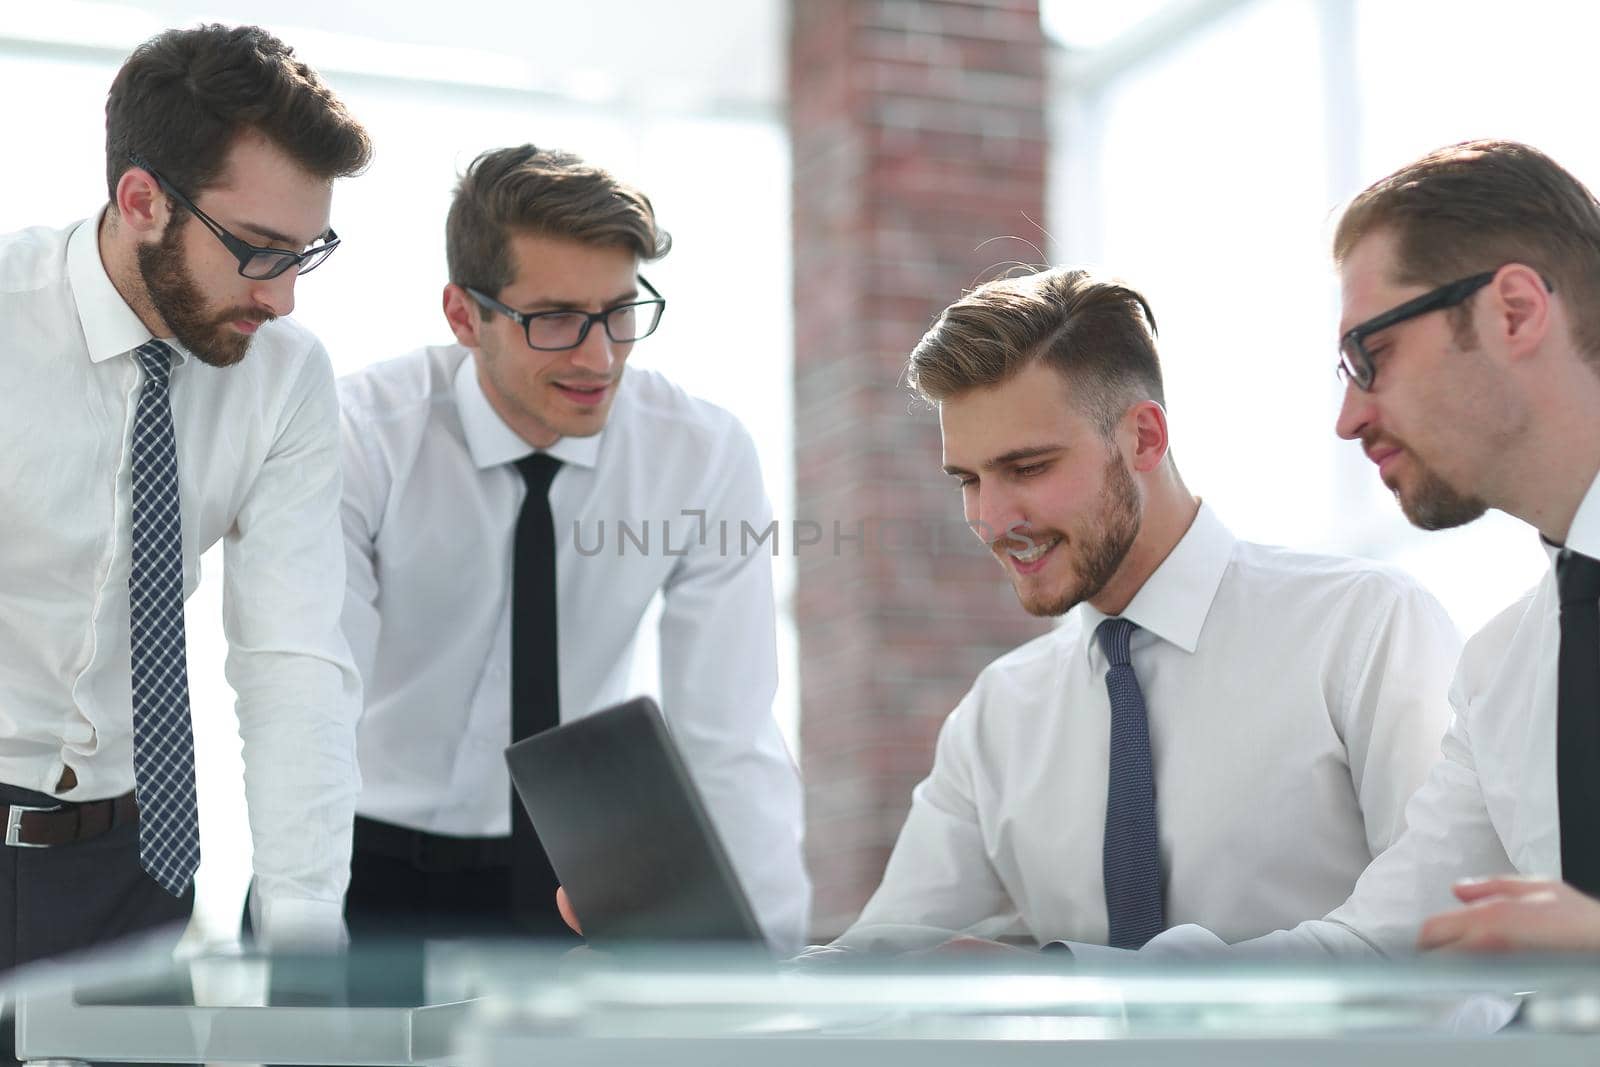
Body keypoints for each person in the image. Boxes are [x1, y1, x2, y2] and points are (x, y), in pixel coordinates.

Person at [819, 267, 1461, 953]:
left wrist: (1074, 986)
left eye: (1028, 467)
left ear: (1145, 439)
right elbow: (882, 964)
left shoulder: (1363, 629)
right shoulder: (998, 717)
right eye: (969, 480)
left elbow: (1444, 941)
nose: (991, 518)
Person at [1123, 140, 1600, 958]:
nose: (1348, 417)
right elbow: (1385, 950)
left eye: (1369, 356)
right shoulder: (1504, 672)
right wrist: (1095, 997)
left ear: (1514, 310)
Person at [337, 145, 810, 952]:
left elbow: (728, 734)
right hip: (359, 856)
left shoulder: (700, 455)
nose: (599, 357)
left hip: (580, 880)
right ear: (463, 314)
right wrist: (297, 927)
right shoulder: (362, 436)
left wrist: (768, 966)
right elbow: (309, 696)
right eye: (553, 318)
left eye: (619, 312)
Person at [0, 23, 371, 968]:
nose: (283, 297)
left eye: (305, 251)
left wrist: (303, 956)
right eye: (257, 248)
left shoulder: (285, 377)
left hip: (133, 870)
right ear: (141, 200)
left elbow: (293, 666)